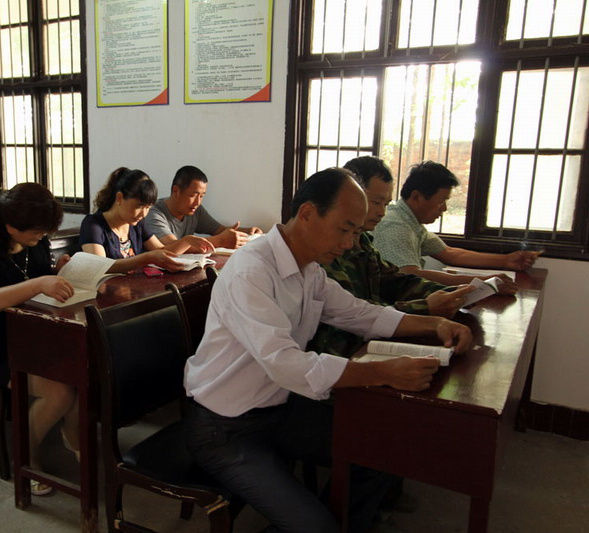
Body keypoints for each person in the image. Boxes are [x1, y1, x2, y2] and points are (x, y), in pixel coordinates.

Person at [183, 167, 473, 533]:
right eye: (345, 229)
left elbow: (360, 313)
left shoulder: (310, 269)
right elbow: (286, 364)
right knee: (316, 527)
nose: (350, 243)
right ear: (307, 213)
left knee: (385, 450)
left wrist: (435, 324)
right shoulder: (251, 271)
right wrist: (382, 371)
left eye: (355, 232)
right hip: (225, 428)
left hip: (279, 409)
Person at [0, 182, 79, 497]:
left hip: (35, 336)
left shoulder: (35, 241)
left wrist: (58, 271)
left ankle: (76, 438)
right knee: (59, 392)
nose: (42, 237)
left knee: (85, 370)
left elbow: (35, 277)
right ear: (10, 225)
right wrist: (39, 283)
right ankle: (26, 458)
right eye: (36, 232)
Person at [310, 156, 475, 358]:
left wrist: (453, 294)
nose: (382, 212)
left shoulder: (363, 241)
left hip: (366, 345)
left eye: (386, 204)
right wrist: (425, 309)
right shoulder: (326, 248)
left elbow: (395, 281)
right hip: (339, 352)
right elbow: (355, 312)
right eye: (376, 202)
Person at [372, 161, 540, 287]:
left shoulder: (411, 223)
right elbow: (410, 275)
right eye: (441, 201)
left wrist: (506, 260)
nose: (444, 208)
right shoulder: (395, 225)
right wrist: (483, 282)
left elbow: (450, 254)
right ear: (416, 197)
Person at [79, 167, 214, 272]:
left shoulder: (137, 224)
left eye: (148, 207)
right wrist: (147, 258)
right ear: (119, 198)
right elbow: (99, 266)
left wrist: (187, 241)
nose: (143, 214)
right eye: (139, 206)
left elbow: (162, 250)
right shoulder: (93, 225)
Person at [144, 165, 263, 250]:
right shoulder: (153, 213)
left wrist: (248, 233)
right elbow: (171, 246)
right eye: (193, 195)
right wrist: (221, 241)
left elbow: (220, 230)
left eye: (201, 196)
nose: (197, 202)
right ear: (176, 191)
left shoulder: (195, 210)